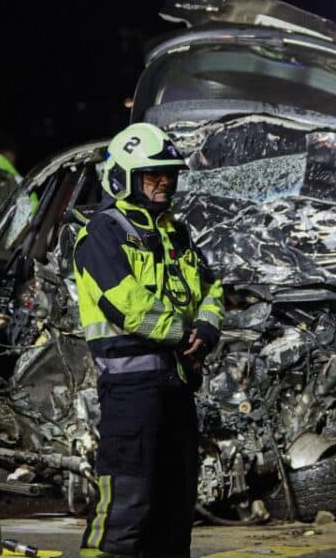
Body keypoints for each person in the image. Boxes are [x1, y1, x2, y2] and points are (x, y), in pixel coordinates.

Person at [73, 123, 225, 557]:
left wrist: (209, 328)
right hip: (131, 394)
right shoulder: (103, 232)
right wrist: (182, 332)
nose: (163, 183)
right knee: (124, 506)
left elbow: (211, 287)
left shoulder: (176, 233)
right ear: (124, 176)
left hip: (177, 389)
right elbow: (127, 304)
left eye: (168, 175)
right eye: (151, 175)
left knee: (175, 509)